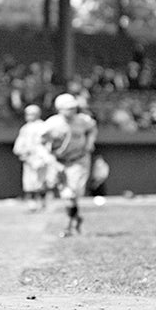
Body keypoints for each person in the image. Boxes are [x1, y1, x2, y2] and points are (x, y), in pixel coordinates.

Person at [41, 92, 98, 237]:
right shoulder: (51, 124)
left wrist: (90, 142)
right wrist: (50, 161)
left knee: (72, 192)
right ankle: (76, 219)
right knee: (66, 195)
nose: (72, 111)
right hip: (59, 161)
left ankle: (68, 226)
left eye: (73, 108)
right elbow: (40, 144)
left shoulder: (83, 120)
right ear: (59, 109)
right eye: (68, 108)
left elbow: (92, 128)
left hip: (78, 160)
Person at [12, 103, 52, 211]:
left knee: (41, 181)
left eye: (31, 114)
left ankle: (43, 203)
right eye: (27, 114)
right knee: (29, 182)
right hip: (29, 158)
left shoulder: (43, 126)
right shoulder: (25, 128)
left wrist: (45, 156)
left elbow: (47, 143)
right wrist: (22, 153)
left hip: (40, 157)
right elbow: (19, 145)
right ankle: (32, 203)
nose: (29, 116)